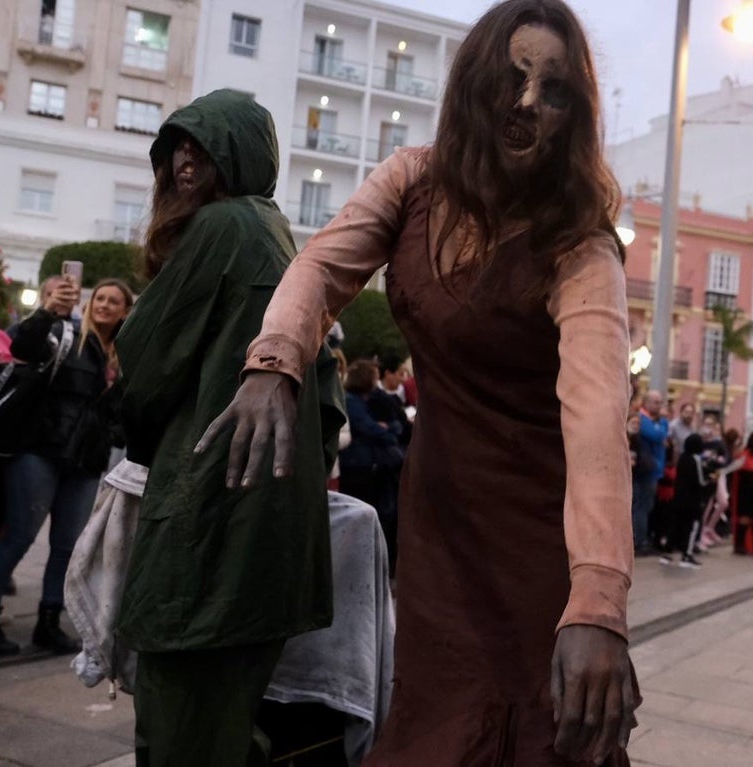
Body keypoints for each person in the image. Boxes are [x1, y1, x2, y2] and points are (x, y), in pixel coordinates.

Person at [200, 3, 638, 763]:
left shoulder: (580, 244)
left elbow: (598, 415)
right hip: (440, 516)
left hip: (542, 530)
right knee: (436, 712)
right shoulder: (412, 180)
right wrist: (274, 365)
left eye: (555, 90)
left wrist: (598, 600)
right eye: (512, 76)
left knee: (534, 727)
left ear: (576, 117)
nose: (528, 102)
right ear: (474, 83)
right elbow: (319, 267)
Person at [112, 90, 345, 766]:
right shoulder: (275, 233)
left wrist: (149, 440)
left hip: (206, 511)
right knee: (224, 719)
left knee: (179, 719)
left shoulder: (224, 228)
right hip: (260, 524)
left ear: (238, 154)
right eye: (177, 146)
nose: (186, 159)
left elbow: (144, 358)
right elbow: (328, 401)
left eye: (203, 145)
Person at [0, 277, 132, 655]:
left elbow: (125, 407)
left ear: (125, 311)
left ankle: (49, 621)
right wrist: (47, 311)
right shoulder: (66, 333)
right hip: (41, 449)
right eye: (99, 298)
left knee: (68, 546)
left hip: (87, 459)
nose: (104, 305)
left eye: (114, 301)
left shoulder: (126, 353)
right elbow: (22, 346)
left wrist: (113, 434)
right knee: (20, 535)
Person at [342, 360, 402, 575]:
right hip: (360, 467)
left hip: (364, 464)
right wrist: (390, 431)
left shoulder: (362, 401)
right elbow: (371, 429)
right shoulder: (353, 403)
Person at [660, 433, 708, 569]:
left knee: (675, 526)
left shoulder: (682, 458)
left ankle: (667, 553)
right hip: (692, 502)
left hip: (678, 499)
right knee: (692, 527)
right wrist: (711, 479)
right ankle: (687, 555)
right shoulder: (695, 459)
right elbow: (700, 481)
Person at [633, 390, 669, 556]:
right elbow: (658, 435)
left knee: (647, 507)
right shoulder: (643, 419)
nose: (659, 406)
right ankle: (639, 541)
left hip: (653, 471)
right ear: (645, 402)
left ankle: (643, 538)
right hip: (645, 471)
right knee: (641, 507)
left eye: (660, 402)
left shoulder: (653, 421)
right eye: (656, 402)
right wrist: (662, 422)